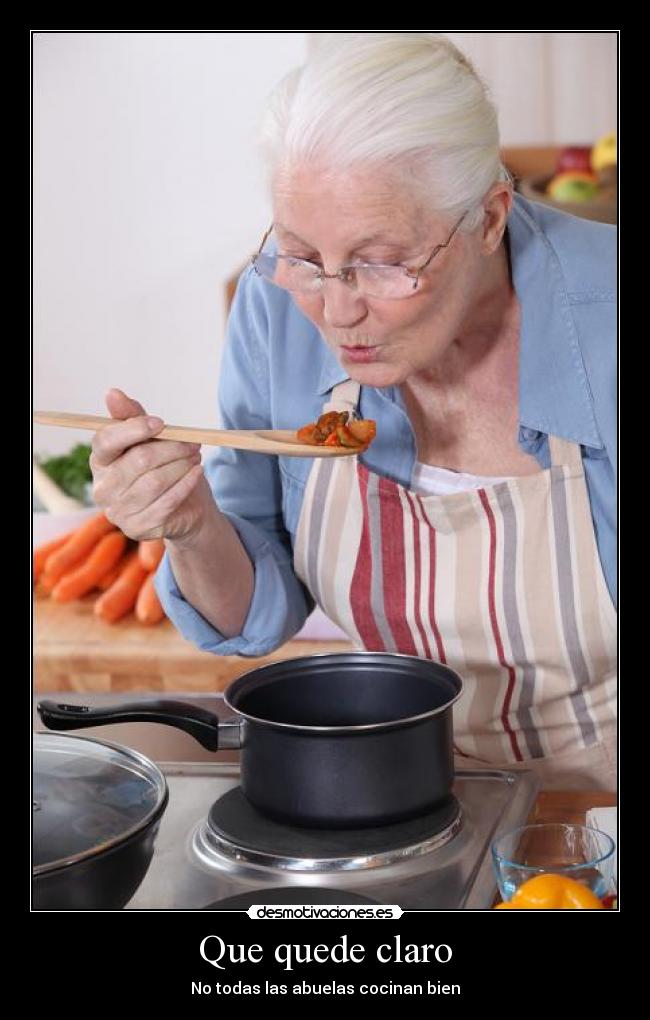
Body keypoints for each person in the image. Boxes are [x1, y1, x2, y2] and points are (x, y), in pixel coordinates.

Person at [90, 33, 616, 791]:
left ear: (489, 218)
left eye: (381, 262)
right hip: (399, 792)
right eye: (303, 256)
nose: (336, 312)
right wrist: (193, 526)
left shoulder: (606, 319)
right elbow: (257, 614)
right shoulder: (275, 312)